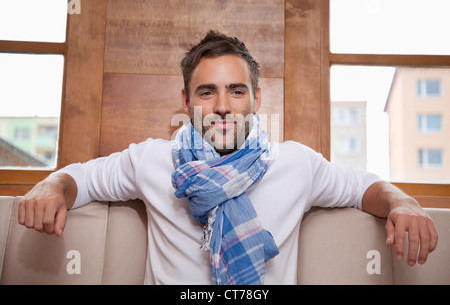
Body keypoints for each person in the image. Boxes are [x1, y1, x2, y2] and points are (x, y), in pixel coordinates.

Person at [18, 30, 438, 285]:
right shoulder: (152, 160)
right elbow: (81, 179)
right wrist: (50, 185)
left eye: (236, 91)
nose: (222, 106)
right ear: (186, 101)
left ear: (256, 98)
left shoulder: (294, 164)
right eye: (207, 91)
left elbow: (364, 187)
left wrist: (403, 202)